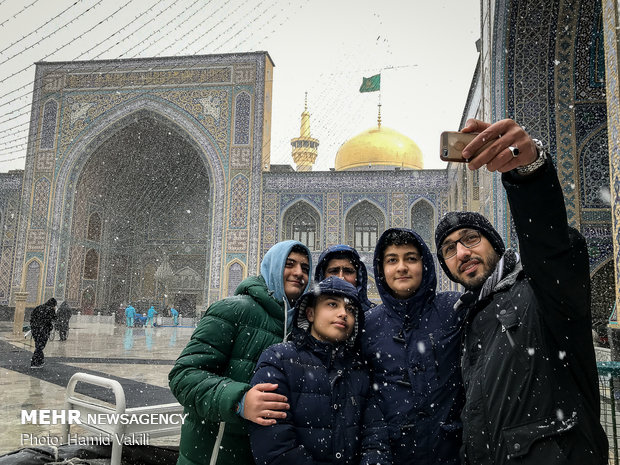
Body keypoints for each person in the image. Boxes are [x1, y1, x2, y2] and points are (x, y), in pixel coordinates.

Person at [434, 118, 608, 464]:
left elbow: (551, 245)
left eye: (471, 238)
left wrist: (529, 174)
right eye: (449, 250)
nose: (462, 253)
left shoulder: (541, 290)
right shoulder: (469, 318)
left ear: (495, 244)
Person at [169, 240, 311, 465]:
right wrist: (239, 400)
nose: (298, 273)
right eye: (289, 264)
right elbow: (183, 376)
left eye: (305, 268)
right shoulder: (233, 310)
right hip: (214, 455)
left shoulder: (302, 327)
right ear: (272, 266)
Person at [249, 276, 391, 465]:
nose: (343, 313)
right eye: (332, 305)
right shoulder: (279, 359)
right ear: (310, 314)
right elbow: (275, 448)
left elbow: (376, 437)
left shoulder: (359, 370)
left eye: (350, 309)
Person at [361, 228, 464, 464]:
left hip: (452, 452)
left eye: (410, 258)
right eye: (392, 260)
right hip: (393, 455)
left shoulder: (453, 310)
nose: (401, 267)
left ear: (424, 263)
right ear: (380, 269)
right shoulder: (369, 325)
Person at [314, 244, 375, 312]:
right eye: (334, 271)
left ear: (358, 277)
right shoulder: (310, 315)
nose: (341, 277)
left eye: (348, 271)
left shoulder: (373, 317)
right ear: (323, 276)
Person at [29, 298, 57, 368]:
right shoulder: (50, 310)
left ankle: (40, 361)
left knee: (38, 345)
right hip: (43, 330)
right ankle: (34, 362)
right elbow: (54, 319)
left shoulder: (39, 307)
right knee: (40, 346)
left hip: (35, 329)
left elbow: (32, 317)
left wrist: (33, 326)